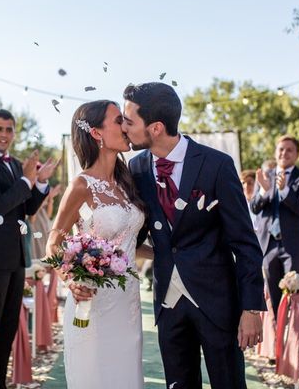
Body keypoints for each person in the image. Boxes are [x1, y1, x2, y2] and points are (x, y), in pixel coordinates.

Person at [123, 82, 264, 389]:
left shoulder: (216, 165)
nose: (123, 127)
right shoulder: (137, 168)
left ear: (156, 127)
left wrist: (251, 308)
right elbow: (134, 231)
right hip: (168, 304)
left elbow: (245, 242)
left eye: (129, 120)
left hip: (217, 301)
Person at [46, 100, 149, 388]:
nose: (126, 126)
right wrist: (70, 280)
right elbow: (54, 242)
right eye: (119, 121)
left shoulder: (129, 181)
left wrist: (172, 254)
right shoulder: (81, 185)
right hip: (93, 301)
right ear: (96, 133)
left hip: (127, 303)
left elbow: (128, 241)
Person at [0, 109, 58, 389]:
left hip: (16, 256)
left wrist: (39, 183)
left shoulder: (16, 165)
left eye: (9, 130)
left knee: (6, 330)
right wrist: (27, 180)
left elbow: (26, 208)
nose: (4, 134)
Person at [250, 135, 299, 356]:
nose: (284, 154)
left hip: (293, 246)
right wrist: (265, 190)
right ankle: (280, 349)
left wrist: (285, 190)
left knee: (297, 296)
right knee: (275, 300)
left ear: (296, 154)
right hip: (269, 246)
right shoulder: (266, 176)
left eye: (289, 150)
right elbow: (255, 207)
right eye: (280, 149)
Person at [29, 183, 61, 260]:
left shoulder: (42, 206)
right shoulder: (34, 205)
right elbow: (32, 219)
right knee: (38, 253)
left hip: (43, 233)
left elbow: (48, 215)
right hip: (36, 232)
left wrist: (50, 199)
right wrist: (43, 201)